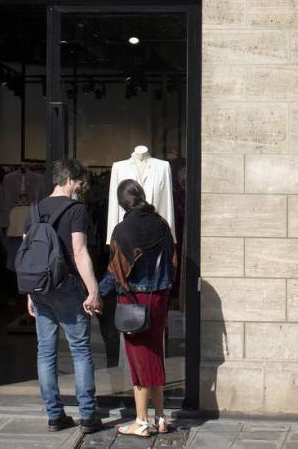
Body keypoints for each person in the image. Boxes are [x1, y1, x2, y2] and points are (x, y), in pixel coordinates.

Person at [26, 159, 104, 433]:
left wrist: (30, 295)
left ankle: (54, 416)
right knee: (80, 350)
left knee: (45, 352)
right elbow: (79, 251)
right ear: (69, 179)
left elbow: (30, 256)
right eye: (80, 183)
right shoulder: (76, 210)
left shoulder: (35, 210)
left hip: (40, 288)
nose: (82, 188)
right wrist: (93, 289)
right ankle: (88, 415)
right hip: (67, 287)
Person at [100, 179, 176, 437]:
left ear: (122, 203)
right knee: (154, 354)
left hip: (134, 301)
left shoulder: (122, 230)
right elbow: (172, 262)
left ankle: (141, 422)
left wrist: (97, 294)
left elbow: (115, 271)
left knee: (139, 361)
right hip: (159, 297)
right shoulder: (162, 224)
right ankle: (161, 417)